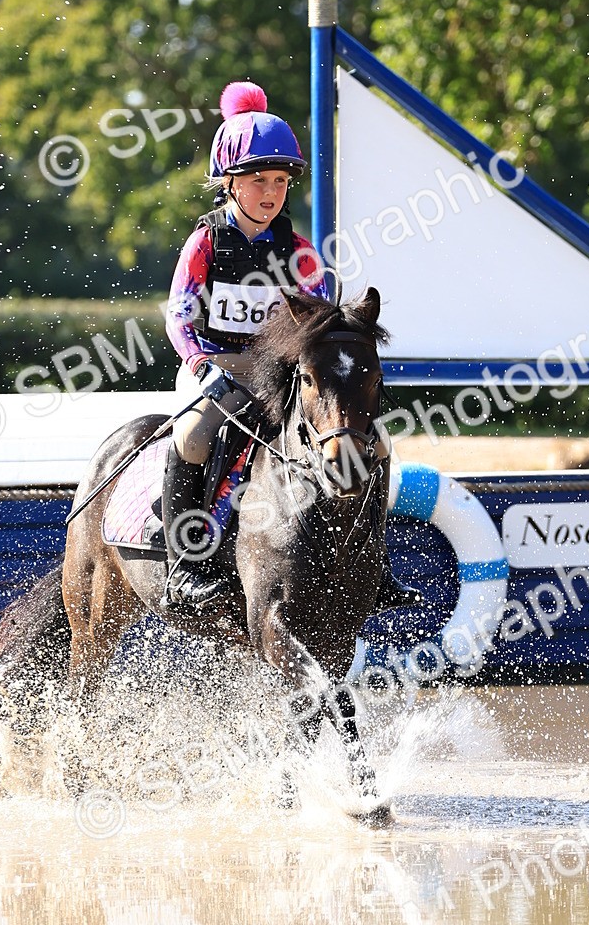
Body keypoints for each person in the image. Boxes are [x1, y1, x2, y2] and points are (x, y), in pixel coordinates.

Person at [163, 80, 417, 613]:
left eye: (279, 181)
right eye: (258, 179)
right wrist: (199, 363)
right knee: (192, 435)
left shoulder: (300, 254)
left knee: (375, 445)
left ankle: (376, 561)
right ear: (230, 182)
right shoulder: (206, 243)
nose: (271, 192)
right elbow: (179, 317)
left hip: (278, 373)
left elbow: (323, 328)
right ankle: (185, 566)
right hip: (215, 366)